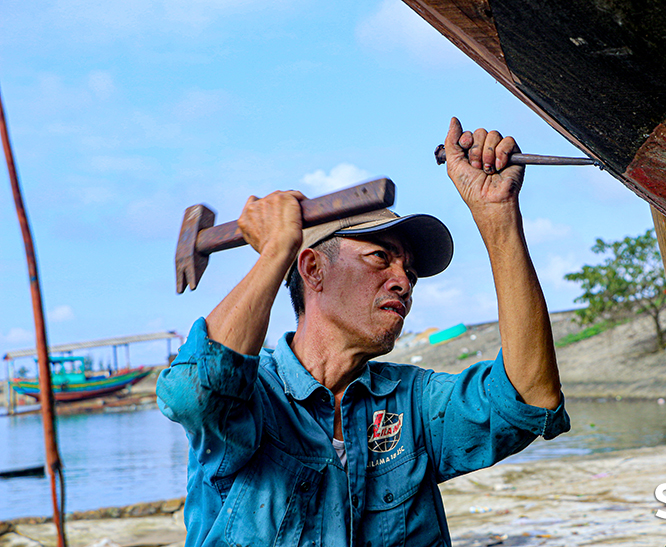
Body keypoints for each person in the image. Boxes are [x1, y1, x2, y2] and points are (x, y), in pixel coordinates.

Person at [157, 118, 570, 547]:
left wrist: (497, 216)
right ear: (313, 269)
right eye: (380, 258)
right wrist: (277, 250)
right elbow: (194, 393)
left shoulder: (412, 402)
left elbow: (529, 397)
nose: (404, 282)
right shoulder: (255, 395)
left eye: (409, 272)